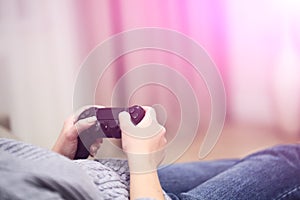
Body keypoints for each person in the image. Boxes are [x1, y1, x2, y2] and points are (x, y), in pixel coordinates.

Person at [52, 106, 300, 200]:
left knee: (248, 164)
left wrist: (58, 157)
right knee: (290, 162)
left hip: (102, 180)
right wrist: (143, 161)